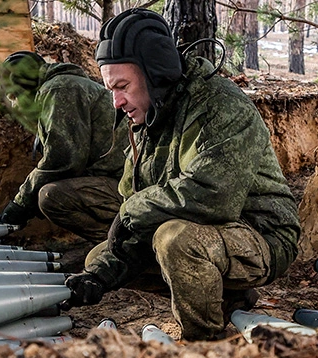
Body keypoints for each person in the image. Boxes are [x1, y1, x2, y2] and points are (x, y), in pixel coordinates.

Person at [64, 9, 301, 341]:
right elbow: (145, 216)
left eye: (122, 86)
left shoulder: (220, 106)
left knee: (175, 240)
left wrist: (131, 211)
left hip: (262, 234)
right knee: (100, 258)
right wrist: (99, 276)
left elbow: (213, 195)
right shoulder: (149, 121)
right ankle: (227, 298)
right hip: (207, 232)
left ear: (156, 73)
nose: (116, 102)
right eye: (110, 90)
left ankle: (205, 342)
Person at [0, 50, 128, 270]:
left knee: (52, 197)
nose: (16, 106)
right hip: (120, 180)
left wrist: (20, 204)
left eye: (15, 96)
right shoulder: (62, 86)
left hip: (128, 185)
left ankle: (126, 250)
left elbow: (64, 160)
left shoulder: (59, 89)